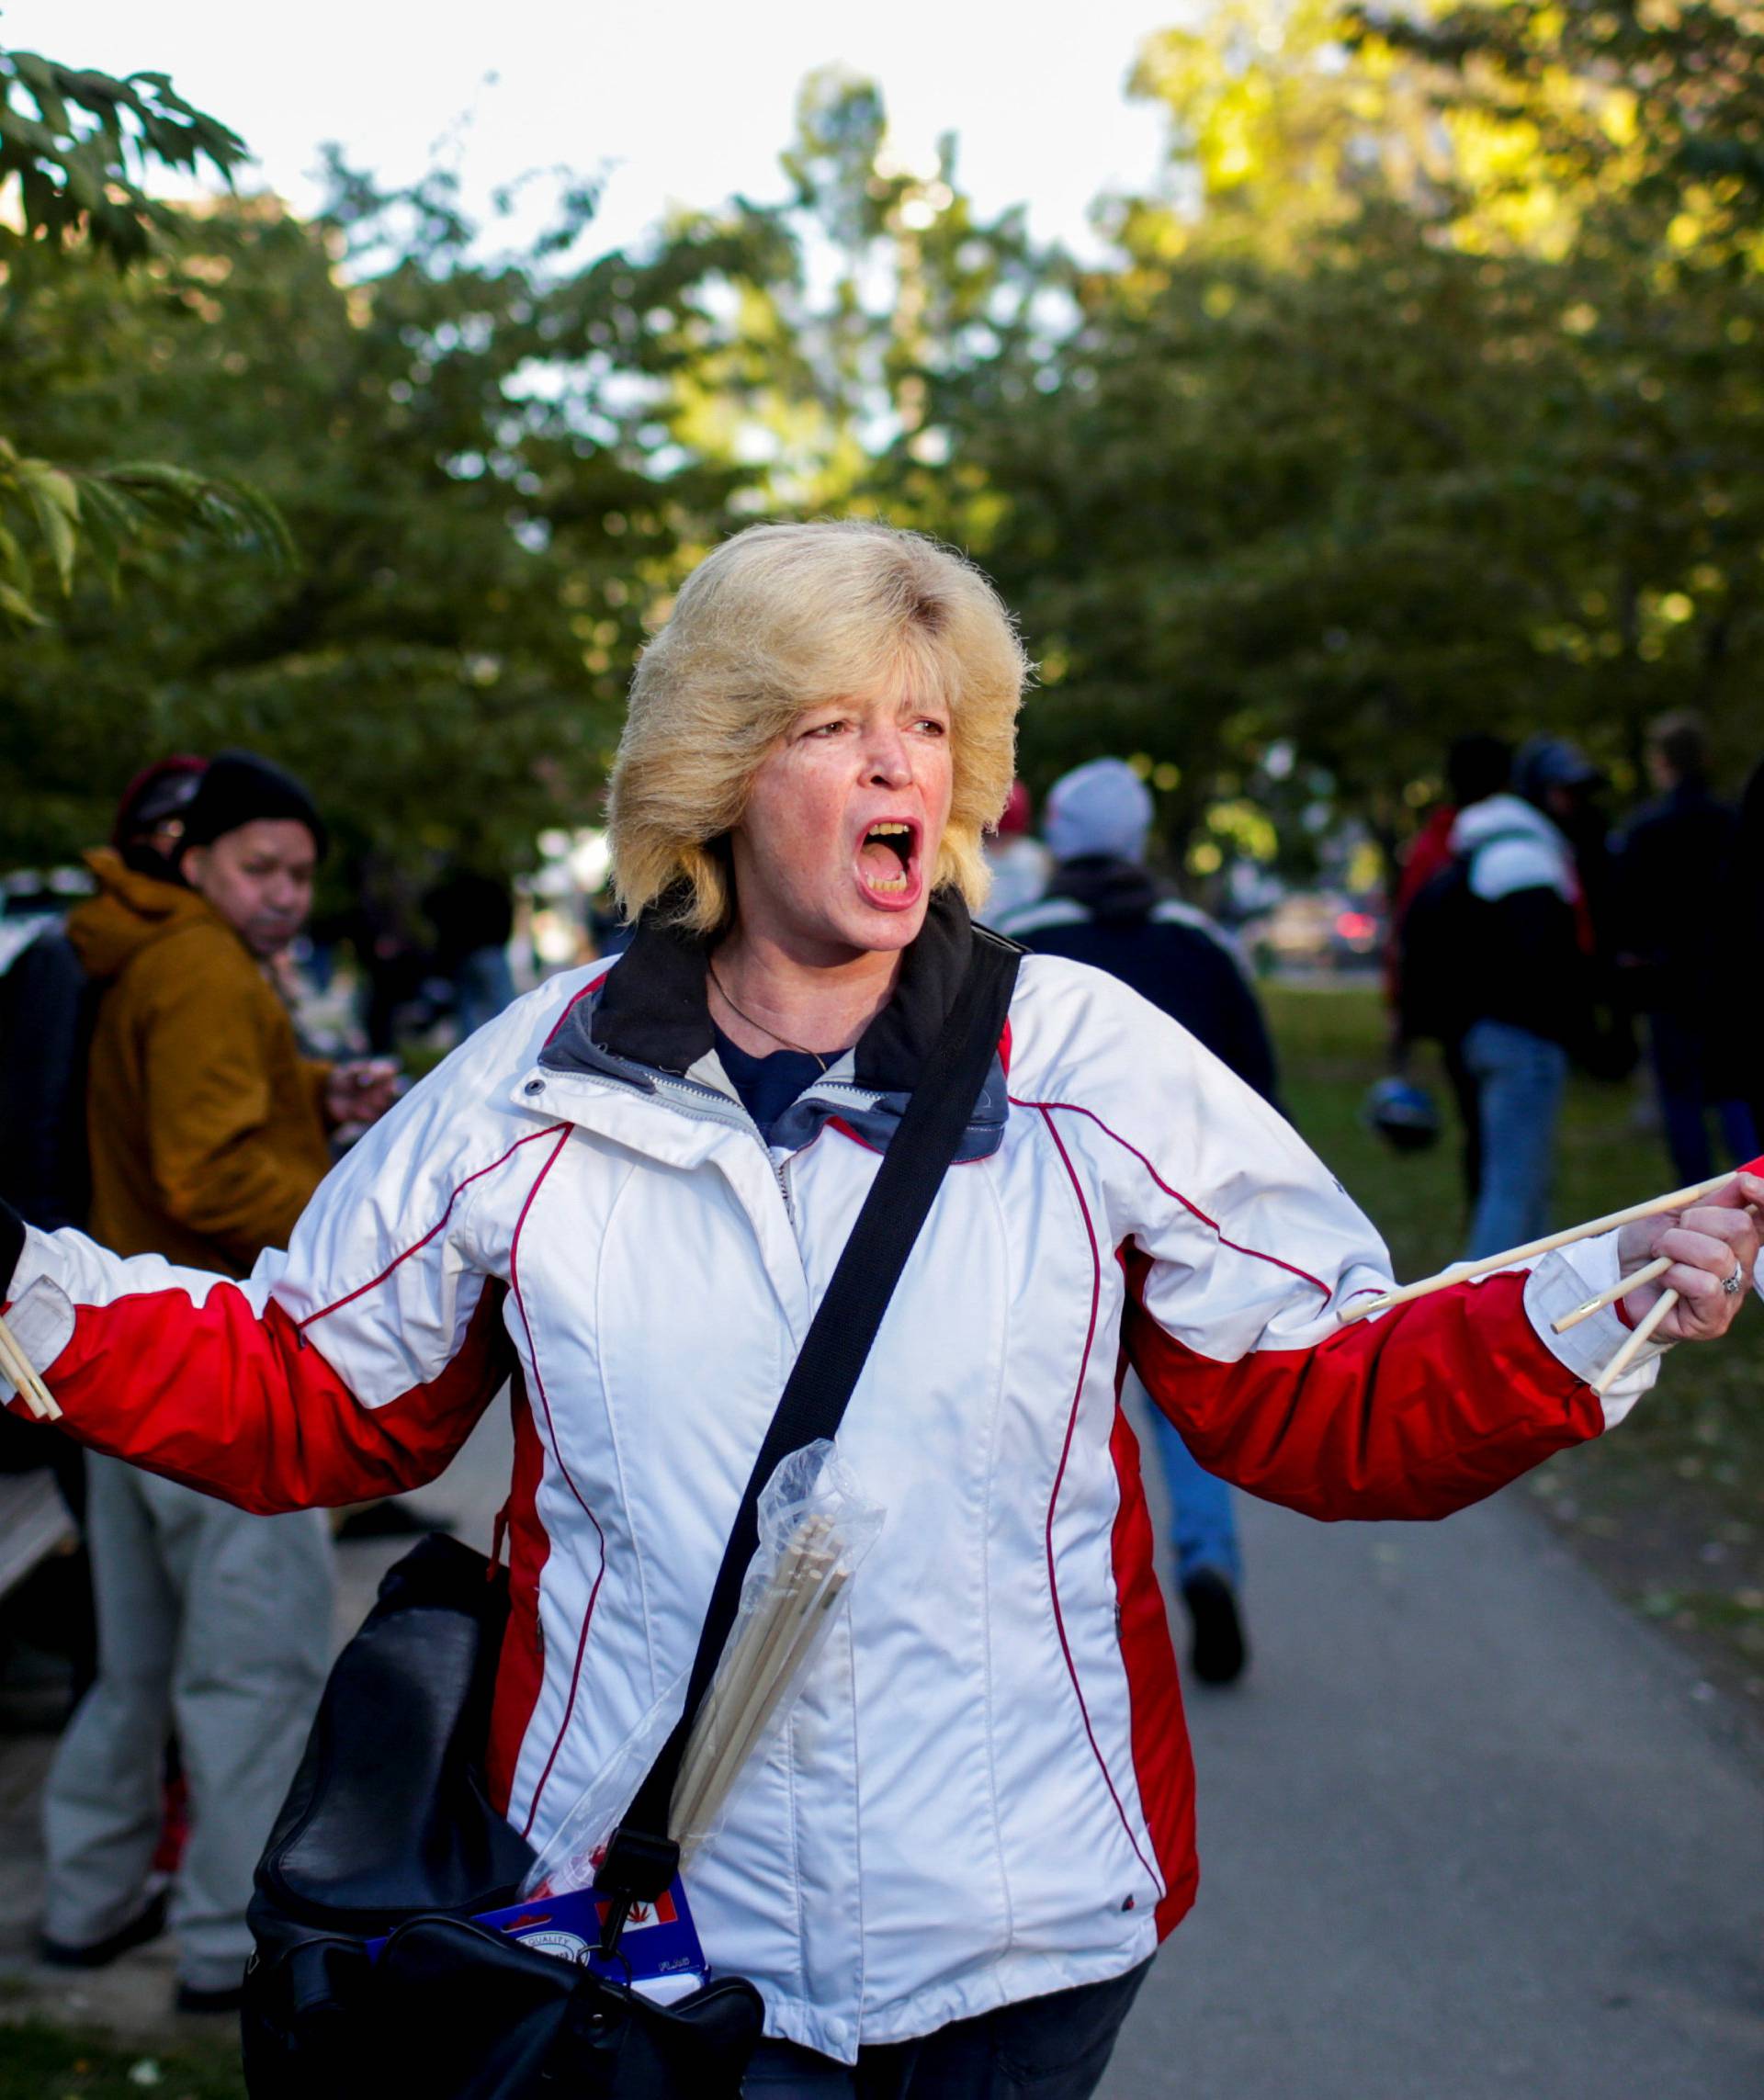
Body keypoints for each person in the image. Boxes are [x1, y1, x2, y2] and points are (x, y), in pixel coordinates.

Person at [0, 525, 1756, 2097]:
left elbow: (1318, 1390)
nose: (900, 762)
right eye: (839, 722)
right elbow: (312, 1391)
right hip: (645, 1921)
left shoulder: (1086, 1063)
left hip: (1024, 1935)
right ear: (719, 772)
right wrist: (32, 1300)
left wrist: (1585, 1297)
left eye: (931, 725)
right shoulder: (528, 1092)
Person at [35, 750, 398, 2015]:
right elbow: (204, 1175)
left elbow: (178, 1116)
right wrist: (372, 1229)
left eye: (302, 872)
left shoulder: (145, 945)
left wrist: (309, 1089)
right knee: (254, 1671)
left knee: (134, 1664)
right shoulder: (198, 963)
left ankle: (85, 1901)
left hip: (111, 1365)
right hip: (210, 1368)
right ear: (192, 859)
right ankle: (219, 1949)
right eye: (261, 866)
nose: (287, 893)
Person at [999, 756, 1279, 1686]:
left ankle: (1073, 1618)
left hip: (1043, 1229)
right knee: (1185, 1406)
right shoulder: (1201, 944)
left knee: (1053, 1427)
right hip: (1180, 1226)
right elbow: (1258, 1091)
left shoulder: (1014, 945)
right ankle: (1206, 1561)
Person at [1397, 738, 1594, 1259]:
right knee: (1513, 1188)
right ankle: (1479, 1304)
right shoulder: (1526, 860)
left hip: (1478, 1037)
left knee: (1515, 1182)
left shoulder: (1467, 855)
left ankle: (1526, 1305)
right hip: (1522, 1037)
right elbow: (1547, 961)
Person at [1614, 713, 1758, 1184]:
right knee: (1737, 1092)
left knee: (1683, 1099)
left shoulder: (1647, 830)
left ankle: (1699, 1199)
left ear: (1662, 762)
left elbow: (1629, 914)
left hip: (1669, 981)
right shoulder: (1730, 822)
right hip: (1729, 976)